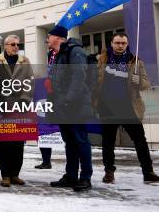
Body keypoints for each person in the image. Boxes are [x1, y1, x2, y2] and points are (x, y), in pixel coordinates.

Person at [93, 32, 159, 184]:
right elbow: (94, 80)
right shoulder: (102, 59)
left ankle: (148, 172)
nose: (120, 45)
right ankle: (109, 172)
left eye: (123, 43)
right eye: (117, 42)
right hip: (107, 107)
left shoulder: (135, 61)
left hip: (129, 107)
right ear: (111, 43)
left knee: (140, 141)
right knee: (108, 142)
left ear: (127, 44)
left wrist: (139, 81)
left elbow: (146, 83)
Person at [46, 25, 94, 192]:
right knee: (70, 142)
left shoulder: (75, 51)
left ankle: (86, 177)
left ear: (58, 37)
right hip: (62, 106)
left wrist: (69, 99)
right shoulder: (56, 55)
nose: (47, 38)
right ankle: (71, 176)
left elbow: (79, 76)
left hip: (75, 105)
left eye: (49, 35)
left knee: (81, 141)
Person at [0, 35, 34, 187]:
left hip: (20, 105)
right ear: (5, 46)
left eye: (18, 45)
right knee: (4, 141)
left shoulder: (24, 61)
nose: (16, 47)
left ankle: (15, 174)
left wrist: (25, 98)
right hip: (2, 105)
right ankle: (5, 174)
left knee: (18, 142)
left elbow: (30, 81)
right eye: (13, 44)